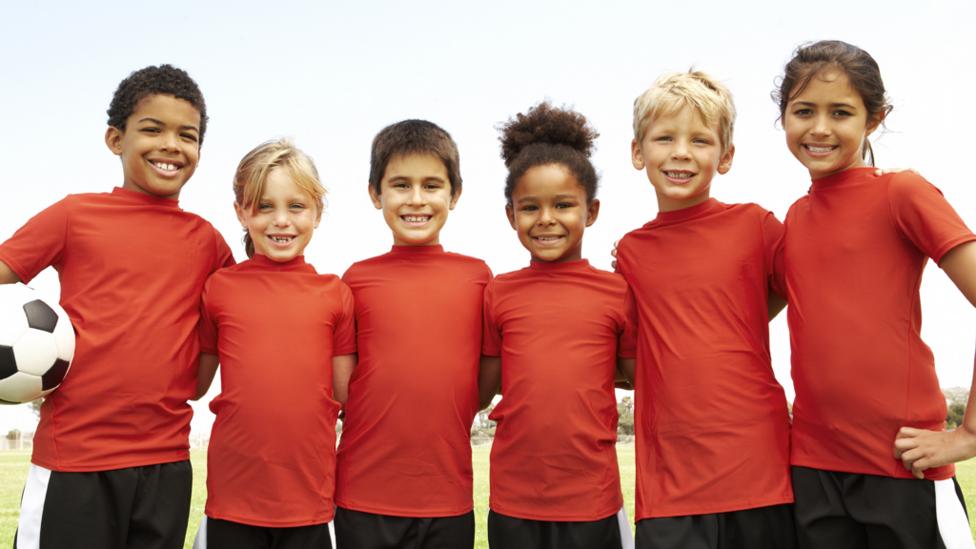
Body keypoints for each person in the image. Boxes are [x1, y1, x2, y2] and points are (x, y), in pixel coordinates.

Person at [0, 64, 233, 549]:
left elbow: (231, 322)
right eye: (152, 129)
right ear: (115, 139)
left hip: (166, 465)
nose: (171, 144)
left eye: (186, 135)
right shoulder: (74, 215)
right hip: (74, 460)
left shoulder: (208, 242)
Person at [773, 39, 976, 548]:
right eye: (803, 111)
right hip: (813, 474)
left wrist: (969, 434)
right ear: (783, 119)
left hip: (904, 468)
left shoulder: (902, 192)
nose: (819, 128)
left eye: (840, 112)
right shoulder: (794, 218)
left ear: (873, 119)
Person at [615, 71, 795, 549]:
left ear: (726, 155)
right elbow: (630, 356)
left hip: (760, 471)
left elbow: (808, 294)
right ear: (638, 152)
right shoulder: (630, 252)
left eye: (700, 140)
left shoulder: (756, 226)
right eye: (664, 138)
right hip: (670, 486)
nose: (681, 152)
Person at [478, 101, 636, 549]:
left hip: (593, 500)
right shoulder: (498, 292)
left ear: (591, 211)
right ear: (511, 215)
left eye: (564, 204)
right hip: (513, 501)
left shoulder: (617, 291)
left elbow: (632, 373)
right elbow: (486, 386)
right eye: (530, 207)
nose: (546, 219)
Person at [333, 119, 492, 549]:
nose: (416, 200)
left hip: (447, 497)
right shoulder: (356, 279)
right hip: (363, 497)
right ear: (375, 193)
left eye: (432, 185)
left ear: (454, 194)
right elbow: (345, 386)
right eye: (401, 185)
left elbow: (483, 380)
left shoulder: (478, 278)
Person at [192, 139, 356, 549]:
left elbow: (345, 395)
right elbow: (194, 383)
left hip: (309, 497)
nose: (281, 220)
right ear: (241, 212)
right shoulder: (219, 288)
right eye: (264, 206)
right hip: (234, 496)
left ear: (318, 213)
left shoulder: (335, 294)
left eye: (296, 207)